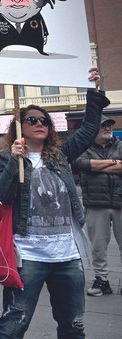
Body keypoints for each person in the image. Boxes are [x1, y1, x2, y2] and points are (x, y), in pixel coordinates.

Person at [0, 68, 107, 338]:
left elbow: (89, 129)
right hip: (28, 257)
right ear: (19, 127)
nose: (39, 123)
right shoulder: (6, 158)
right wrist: (15, 160)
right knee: (13, 325)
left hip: (67, 256)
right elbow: (3, 195)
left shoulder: (60, 154)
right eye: (31, 119)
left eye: (44, 120)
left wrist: (95, 93)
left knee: (73, 326)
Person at [73, 114, 122, 297]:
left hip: (120, 201)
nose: (108, 128)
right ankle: (102, 280)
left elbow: (90, 166)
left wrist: (96, 166)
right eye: (104, 126)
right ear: (94, 129)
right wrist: (114, 163)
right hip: (96, 203)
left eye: (109, 125)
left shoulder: (119, 145)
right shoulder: (84, 147)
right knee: (98, 246)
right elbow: (80, 164)